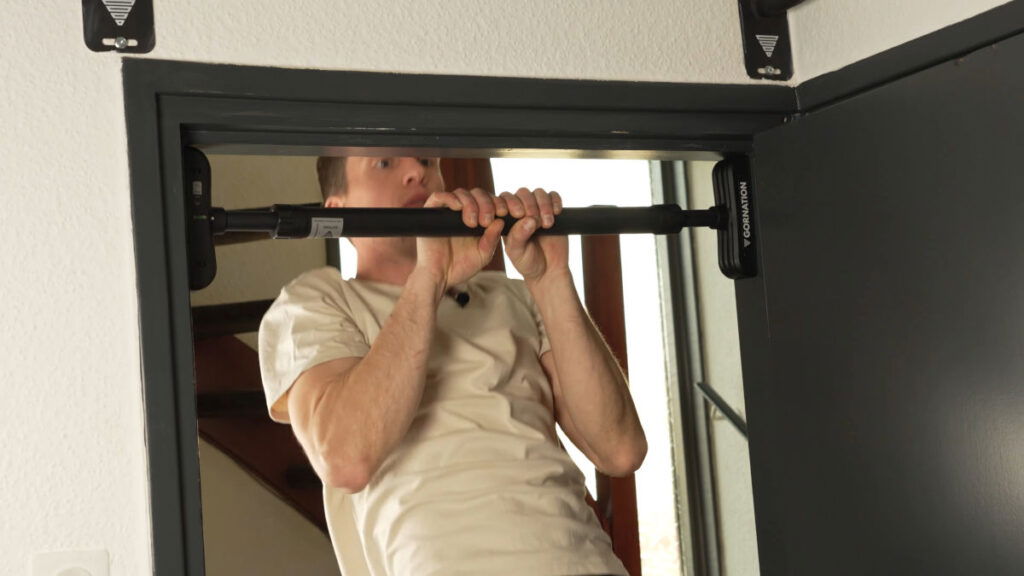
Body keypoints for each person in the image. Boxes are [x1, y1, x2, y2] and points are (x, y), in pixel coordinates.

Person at [258, 155, 647, 576]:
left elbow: (620, 448)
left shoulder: (514, 295)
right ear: (339, 211)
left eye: (426, 160)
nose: (417, 172)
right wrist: (429, 277)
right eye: (384, 163)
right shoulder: (315, 301)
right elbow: (346, 458)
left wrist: (551, 279)